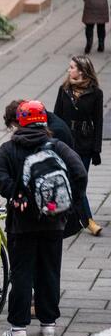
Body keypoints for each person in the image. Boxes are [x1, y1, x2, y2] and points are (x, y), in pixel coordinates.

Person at [0, 101, 87, 336]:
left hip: (21, 224)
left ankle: (18, 327)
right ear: (44, 120)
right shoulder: (57, 146)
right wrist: (69, 203)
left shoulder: (8, 149)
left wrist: (15, 194)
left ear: (20, 121)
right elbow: (80, 173)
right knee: (49, 271)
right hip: (54, 221)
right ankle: (48, 324)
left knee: (22, 273)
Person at [54, 55, 104, 235]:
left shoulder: (96, 93)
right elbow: (56, 117)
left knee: (78, 181)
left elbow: (98, 122)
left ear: (82, 71)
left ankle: (85, 219)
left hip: (84, 143)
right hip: (66, 142)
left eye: (72, 67)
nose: (69, 70)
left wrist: (96, 149)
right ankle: (84, 219)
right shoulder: (64, 90)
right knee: (69, 181)